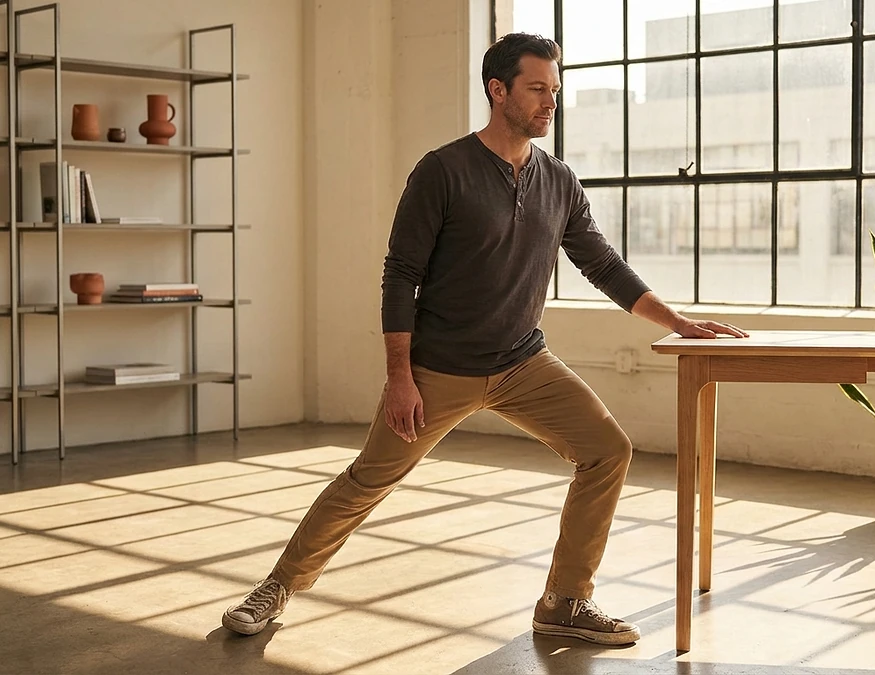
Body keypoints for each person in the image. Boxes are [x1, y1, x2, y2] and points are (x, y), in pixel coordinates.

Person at [221, 32, 748, 646]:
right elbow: (401, 274)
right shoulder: (442, 171)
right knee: (368, 480)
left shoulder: (559, 181)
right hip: (439, 369)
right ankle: (277, 587)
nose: (551, 102)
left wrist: (678, 322)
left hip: (524, 362)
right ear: (498, 90)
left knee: (607, 450)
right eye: (537, 89)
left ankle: (565, 601)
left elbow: (602, 265)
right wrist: (400, 376)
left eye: (555, 90)